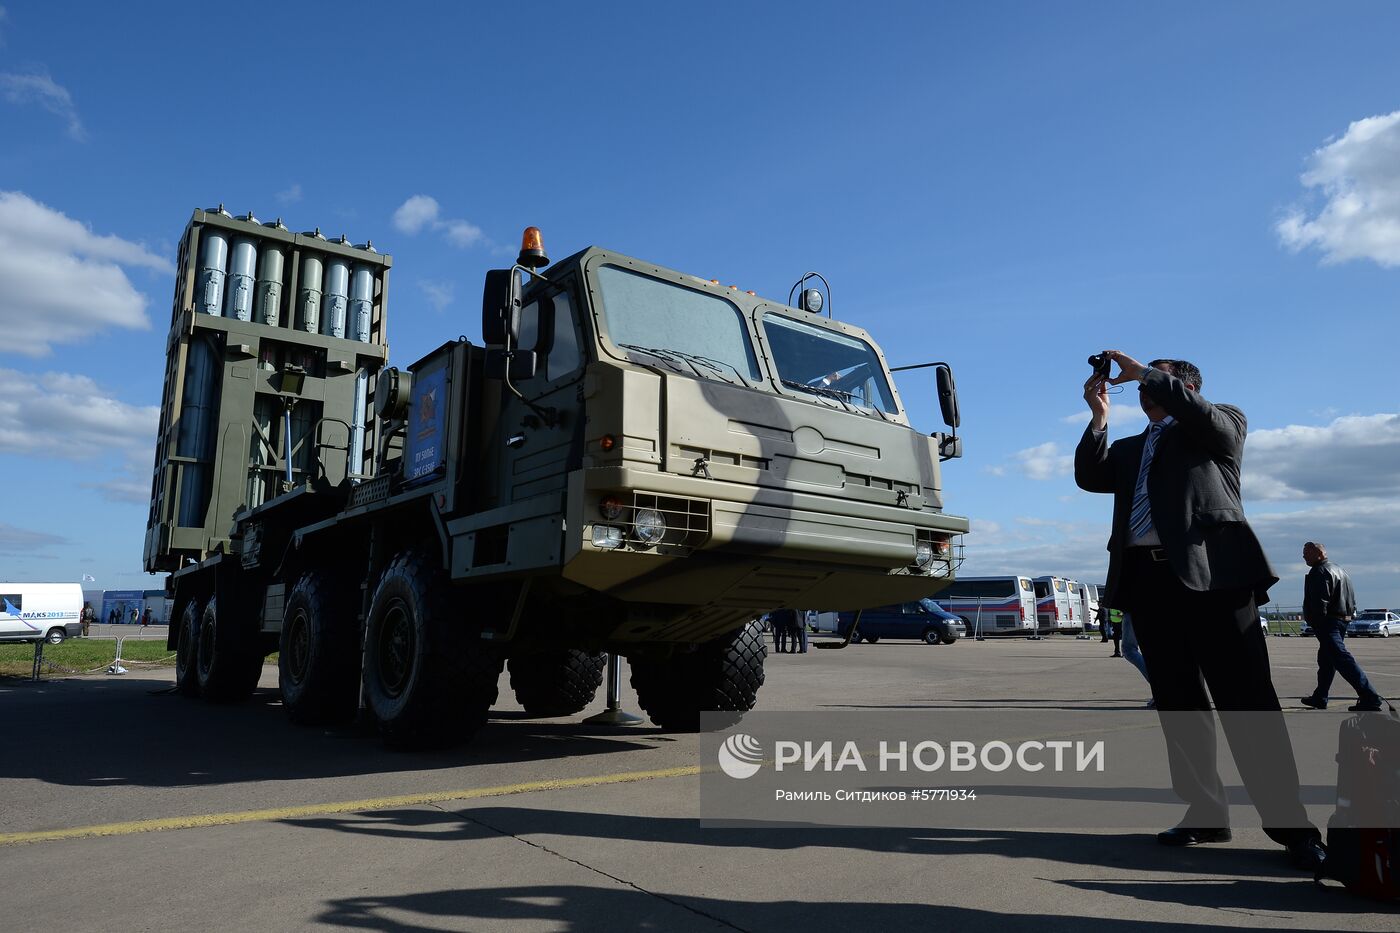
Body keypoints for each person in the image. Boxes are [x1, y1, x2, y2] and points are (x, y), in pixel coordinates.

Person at [1074, 351, 1324, 871]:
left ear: (1183, 386)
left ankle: (1292, 828)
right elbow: (1090, 476)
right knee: (1180, 705)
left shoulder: (1220, 424)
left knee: (1248, 703)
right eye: (1141, 385)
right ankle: (1206, 812)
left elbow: (1208, 420)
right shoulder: (1131, 447)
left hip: (1216, 580)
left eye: (1155, 382)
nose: (1141, 389)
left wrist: (1145, 371)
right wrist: (1098, 416)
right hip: (1148, 583)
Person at [1300, 542, 1382, 712]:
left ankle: (1370, 697)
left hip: (1328, 622)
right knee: (1326, 660)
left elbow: (1319, 601)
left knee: (1342, 659)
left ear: (1319, 553)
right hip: (1342, 619)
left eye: (1306, 553)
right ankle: (1320, 697)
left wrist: (1316, 622)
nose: (1303, 556)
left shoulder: (1320, 571)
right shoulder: (1340, 570)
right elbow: (1351, 598)